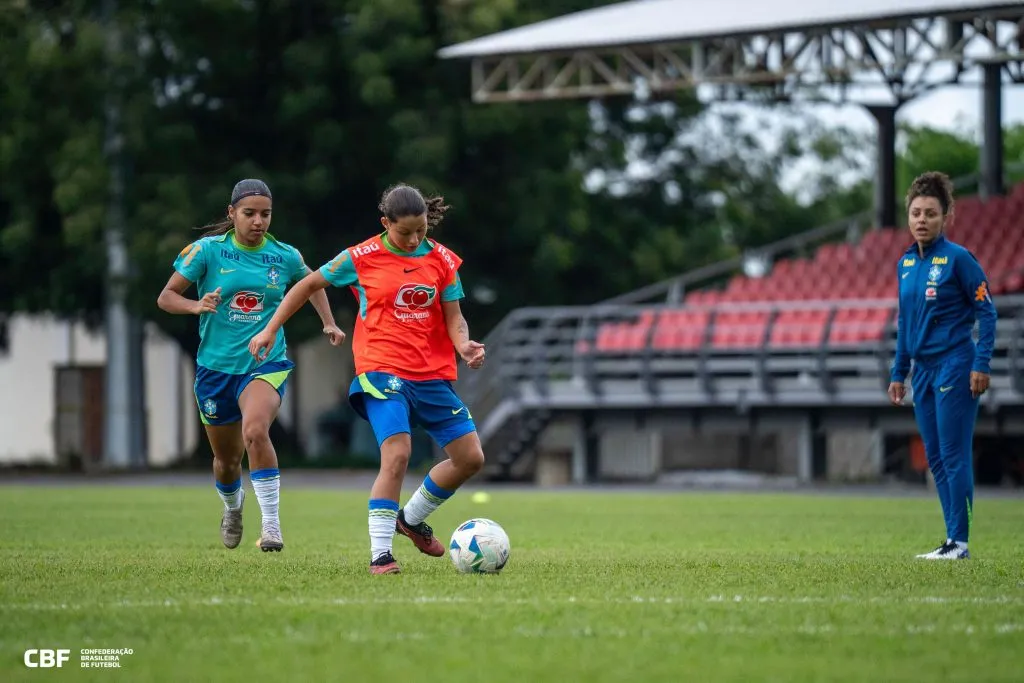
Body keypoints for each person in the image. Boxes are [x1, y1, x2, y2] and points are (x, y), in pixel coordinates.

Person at [248, 184, 487, 574]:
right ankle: (380, 554)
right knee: (398, 453)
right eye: (404, 232)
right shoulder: (360, 257)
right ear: (385, 224)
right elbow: (308, 285)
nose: (413, 240)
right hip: (381, 369)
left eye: (421, 231)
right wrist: (271, 328)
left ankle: (408, 520)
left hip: (430, 374)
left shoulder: (442, 259)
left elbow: (454, 316)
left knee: (470, 458)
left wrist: (463, 346)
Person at [157, 179, 344, 552]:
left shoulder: (285, 255)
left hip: (265, 363)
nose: (258, 221)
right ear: (232, 214)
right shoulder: (207, 252)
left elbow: (312, 284)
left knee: (256, 431)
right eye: (249, 214)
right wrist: (196, 306)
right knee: (226, 462)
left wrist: (328, 321)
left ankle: (272, 526)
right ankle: (232, 506)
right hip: (215, 370)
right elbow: (166, 297)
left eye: (265, 214)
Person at [887, 171, 997, 560]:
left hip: (955, 364)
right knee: (933, 457)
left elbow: (988, 312)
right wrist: (899, 371)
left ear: (945, 215)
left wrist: (981, 363)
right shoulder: (904, 264)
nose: (921, 219)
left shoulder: (959, 259)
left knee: (953, 454)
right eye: (916, 212)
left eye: (930, 213)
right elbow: (905, 321)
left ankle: (960, 543)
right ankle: (951, 541)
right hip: (923, 371)